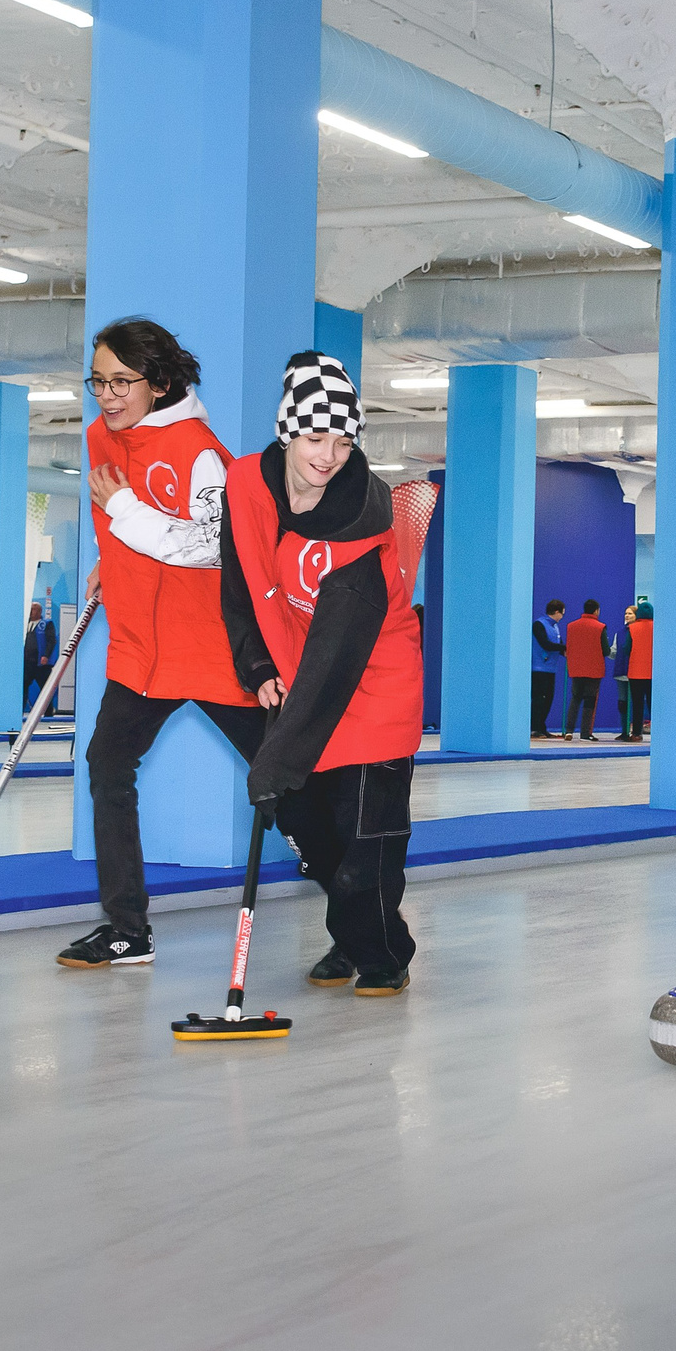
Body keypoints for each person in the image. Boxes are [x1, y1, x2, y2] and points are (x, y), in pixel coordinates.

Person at [59, 318, 264, 970]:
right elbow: (116, 524)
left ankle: (358, 919)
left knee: (287, 782)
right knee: (107, 766)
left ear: (161, 382)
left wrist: (124, 516)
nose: (108, 395)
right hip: (143, 651)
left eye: (123, 381)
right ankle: (127, 929)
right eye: (99, 380)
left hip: (210, 648)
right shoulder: (99, 437)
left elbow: (215, 547)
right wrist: (110, 563)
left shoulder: (200, 451)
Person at [220, 352, 425, 995]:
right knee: (312, 827)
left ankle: (383, 952)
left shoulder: (363, 524)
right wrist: (256, 667)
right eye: (315, 436)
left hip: (373, 679)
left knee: (369, 835)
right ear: (287, 430)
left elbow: (339, 653)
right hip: (300, 672)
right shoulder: (249, 485)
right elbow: (240, 583)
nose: (330, 453)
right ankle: (352, 932)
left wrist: (276, 759)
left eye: (343, 439)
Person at [564, 598, 608, 741]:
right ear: (596, 610)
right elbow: (606, 650)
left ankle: (569, 730)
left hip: (576, 668)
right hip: (594, 669)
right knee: (590, 701)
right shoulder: (600, 627)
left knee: (575, 698)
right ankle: (585, 733)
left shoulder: (571, 626)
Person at [617, 601, 654, 741]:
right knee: (653, 704)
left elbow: (626, 648)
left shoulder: (632, 628)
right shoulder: (658, 628)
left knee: (637, 703)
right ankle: (657, 732)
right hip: (653, 673)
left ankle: (637, 733)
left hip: (636, 672)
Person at [532, 600, 567, 739]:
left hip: (551, 669)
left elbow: (559, 644)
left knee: (548, 699)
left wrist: (564, 650)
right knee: (539, 699)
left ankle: (541, 727)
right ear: (557, 612)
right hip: (539, 668)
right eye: (562, 613)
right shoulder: (539, 624)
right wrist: (563, 648)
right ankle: (534, 728)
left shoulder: (555, 627)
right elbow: (545, 644)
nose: (562, 617)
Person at [22, 600, 58, 713]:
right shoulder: (25, 624)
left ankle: (48, 712)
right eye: (30, 609)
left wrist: (46, 656)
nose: (31, 612)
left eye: (33, 609)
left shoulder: (46, 624)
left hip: (41, 664)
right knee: (23, 687)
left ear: (39, 611)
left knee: (45, 688)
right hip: (27, 663)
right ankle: (20, 710)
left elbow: (52, 641)